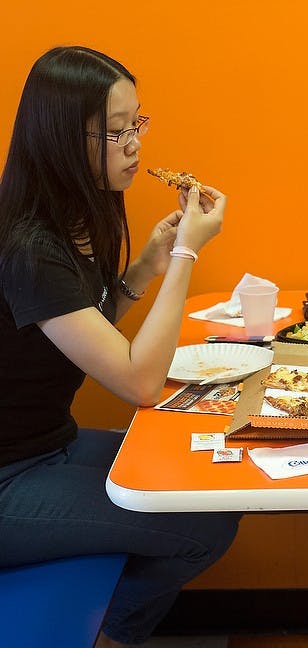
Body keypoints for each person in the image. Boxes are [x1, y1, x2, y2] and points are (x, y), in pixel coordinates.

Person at [0, 46, 240, 648]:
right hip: (9, 479)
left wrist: (146, 268)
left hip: (49, 446)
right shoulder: (28, 245)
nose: (134, 144)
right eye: (114, 132)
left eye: (138, 123)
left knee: (211, 484)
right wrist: (187, 254)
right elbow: (137, 381)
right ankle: (109, 637)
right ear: (61, 139)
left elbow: (81, 331)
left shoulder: (77, 214)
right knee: (202, 525)